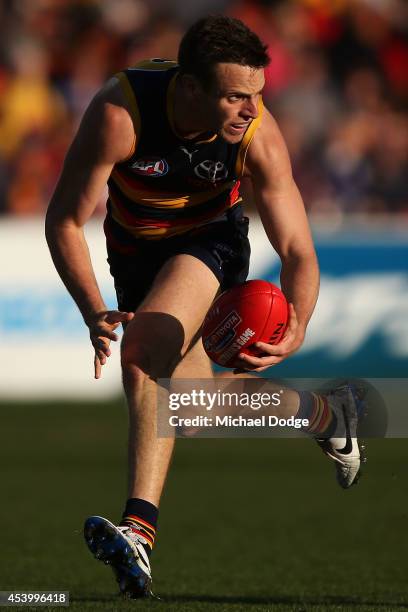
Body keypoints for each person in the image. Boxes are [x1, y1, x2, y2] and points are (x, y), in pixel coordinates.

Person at [45, 15, 365, 599]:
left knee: (142, 358)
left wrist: (298, 322)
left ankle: (138, 533)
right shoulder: (121, 113)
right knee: (185, 411)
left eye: (257, 94)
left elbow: (297, 249)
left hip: (210, 242)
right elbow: (65, 219)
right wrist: (93, 308)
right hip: (135, 257)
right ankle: (325, 415)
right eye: (236, 96)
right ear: (190, 88)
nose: (251, 108)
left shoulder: (257, 134)